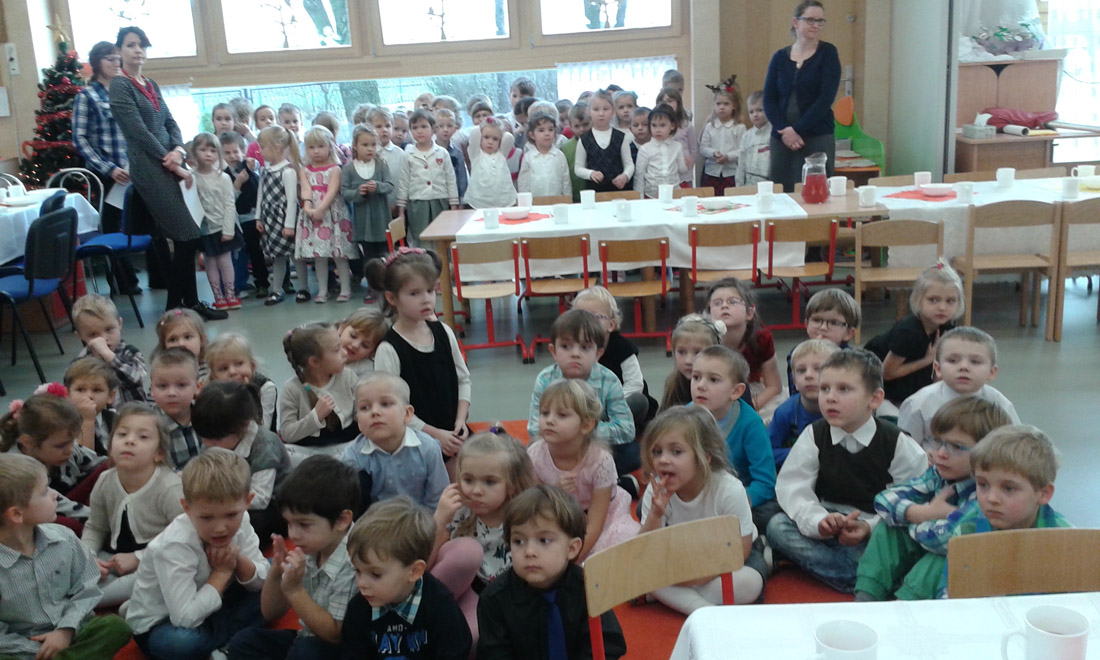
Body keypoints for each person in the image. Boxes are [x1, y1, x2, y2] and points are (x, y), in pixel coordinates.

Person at [766, 349, 927, 593]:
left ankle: (860, 575)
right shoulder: (815, 435)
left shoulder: (897, 442)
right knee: (777, 526)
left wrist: (869, 528)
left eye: (843, 389)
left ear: (874, 399)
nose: (830, 398)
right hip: (829, 519)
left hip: (876, 525)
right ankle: (869, 578)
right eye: (825, 389)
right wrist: (820, 521)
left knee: (901, 541)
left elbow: (912, 499)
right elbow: (793, 488)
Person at [109, 26, 226, 320]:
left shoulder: (150, 83)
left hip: (171, 162)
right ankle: (178, 306)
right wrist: (169, 158)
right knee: (186, 234)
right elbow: (138, 132)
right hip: (149, 169)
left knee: (190, 235)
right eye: (131, 45)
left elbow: (170, 122)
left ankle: (185, 304)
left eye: (142, 45)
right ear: (120, 50)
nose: (138, 50)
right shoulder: (120, 86)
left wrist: (179, 151)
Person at [855, 397, 1012, 601]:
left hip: (971, 574)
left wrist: (911, 521)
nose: (941, 453)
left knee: (944, 556)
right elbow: (884, 500)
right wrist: (922, 513)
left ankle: (904, 606)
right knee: (888, 527)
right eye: (937, 441)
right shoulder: (938, 475)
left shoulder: (985, 492)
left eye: (956, 446)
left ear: (987, 453)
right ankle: (866, 598)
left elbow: (946, 540)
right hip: (930, 539)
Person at [125, 449, 268, 660]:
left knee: (280, 579)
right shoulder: (175, 543)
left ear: (247, 502)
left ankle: (223, 639)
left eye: (231, 515)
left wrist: (238, 560)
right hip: (165, 622)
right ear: (186, 507)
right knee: (181, 644)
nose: (220, 528)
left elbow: (262, 577)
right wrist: (221, 572)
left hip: (216, 601)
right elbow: (184, 619)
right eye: (207, 518)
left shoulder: (243, 520)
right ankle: (231, 640)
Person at [0, 453, 133, 660]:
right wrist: (37, 650)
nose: (55, 495)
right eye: (45, 491)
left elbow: (87, 587)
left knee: (116, 627)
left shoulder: (64, 537)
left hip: (73, 629)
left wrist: (65, 631)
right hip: (23, 646)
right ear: (16, 514)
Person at [227, 457, 360, 660]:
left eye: (304, 524)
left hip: (343, 649)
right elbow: (270, 613)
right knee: (243, 642)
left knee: (305, 652)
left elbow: (335, 634)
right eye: (289, 524)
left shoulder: (354, 560)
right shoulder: (313, 545)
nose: (293, 535)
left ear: (342, 520)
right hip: (307, 638)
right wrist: (277, 570)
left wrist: (295, 590)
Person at [639, 406, 767, 611]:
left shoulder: (729, 489)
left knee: (750, 583)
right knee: (643, 572)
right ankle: (702, 608)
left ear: (705, 457)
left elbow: (740, 551)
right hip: (679, 558)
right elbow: (646, 550)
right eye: (657, 452)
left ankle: (677, 598)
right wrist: (655, 514)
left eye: (676, 452)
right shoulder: (656, 491)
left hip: (726, 561)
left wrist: (693, 579)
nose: (663, 460)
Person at [477, 485, 626, 660]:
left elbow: (608, 643)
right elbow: (494, 655)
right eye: (519, 541)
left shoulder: (588, 588)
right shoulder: (493, 600)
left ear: (571, 548)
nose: (529, 551)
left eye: (544, 540)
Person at [936, 425, 1071, 598]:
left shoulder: (1067, 541)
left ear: (1043, 494)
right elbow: (949, 594)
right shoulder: (966, 531)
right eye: (983, 484)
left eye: (1008, 488)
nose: (992, 498)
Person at [431, 430, 536, 641]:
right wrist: (439, 521)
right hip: (464, 591)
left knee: (486, 637)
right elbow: (426, 564)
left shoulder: (523, 516)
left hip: (508, 595)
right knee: (471, 636)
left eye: (489, 482)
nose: (476, 490)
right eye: (468, 480)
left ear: (511, 485)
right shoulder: (456, 511)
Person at [369, 248, 472, 464]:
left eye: (430, 291)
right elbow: (391, 406)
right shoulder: (389, 349)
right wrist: (435, 434)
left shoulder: (443, 332)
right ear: (392, 298)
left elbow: (463, 379)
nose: (426, 300)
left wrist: (460, 421)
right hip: (415, 443)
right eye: (414, 294)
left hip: (453, 434)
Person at [341, 497, 472, 660]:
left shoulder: (440, 606)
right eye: (358, 571)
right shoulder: (359, 609)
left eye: (375, 574)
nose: (361, 583)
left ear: (415, 571)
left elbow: (455, 652)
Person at [81, 401, 183, 607]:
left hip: (156, 560)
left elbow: (183, 537)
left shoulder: (170, 488)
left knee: (155, 577)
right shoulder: (105, 480)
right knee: (74, 570)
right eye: (122, 434)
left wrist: (138, 558)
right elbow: (95, 527)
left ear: (159, 453)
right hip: (114, 558)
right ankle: (89, 597)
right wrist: (89, 557)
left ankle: (87, 602)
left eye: (143, 437)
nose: (129, 441)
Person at [529, 380, 641, 559]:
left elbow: (595, 525)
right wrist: (554, 492)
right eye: (545, 413)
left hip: (599, 518)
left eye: (562, 415)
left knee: (622, 544)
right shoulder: (535, 454)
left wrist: (573, 561)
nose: (549, 420)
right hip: (556, 515)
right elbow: (531, 502)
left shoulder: (600, 460)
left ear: (586, 425)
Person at [527, 310, 637, 480]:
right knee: (529, 455)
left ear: (598, 354)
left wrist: (579, 432)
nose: (575, 354)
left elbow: (626, 429)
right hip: (557, 446)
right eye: (566, 346)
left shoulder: (608, 379)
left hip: (595, 445)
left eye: (585, 347)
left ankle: (604, 478)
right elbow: (535, 428)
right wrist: (563, 433)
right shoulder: (545, 379)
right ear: (553, 351)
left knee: (634, 454)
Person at [71, 40, 142, 295]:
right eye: (109, 59)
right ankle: (123, 282)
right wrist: (108, 168)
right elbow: (80, 139)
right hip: (108, 174)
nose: (115, 63)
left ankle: (145, 277)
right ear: (96, 63)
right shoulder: (87, 96)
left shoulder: (124, 91)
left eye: (117, 58)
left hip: (131, 169)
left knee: (136, 224)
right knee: (112, 227)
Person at [689, 346, 777, 531]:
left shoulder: (750, 423)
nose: (701, 385)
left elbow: (765, 482)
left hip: (736, 496)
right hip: (693, 495)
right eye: (696, 377)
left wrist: (738, 501)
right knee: (646, 508)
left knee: (770, 515)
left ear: (736, 391)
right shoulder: (683, 416)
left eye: (713, 379)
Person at [192, 382, 291, 540]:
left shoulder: (265, 445)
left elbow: (261, 498)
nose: (207, 444)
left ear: (243, 426)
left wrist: (221, 503)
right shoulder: (215, 436)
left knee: (250, 524)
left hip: (273, 505)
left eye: (215, 439)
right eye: (203, 437)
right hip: (231, 499)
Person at [339, 372, 449, 513]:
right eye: (364, 407)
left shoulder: (429, 448)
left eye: (385, 404)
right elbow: (348, 504)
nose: (375, 412)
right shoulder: (352, 455)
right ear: (358, 421)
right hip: (372, 523)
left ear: (407, 414)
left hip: (421, 522)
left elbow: (438, 499)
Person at [763, 0, 842, 191]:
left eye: (820, 21)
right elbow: (769, 99)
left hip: (816, 135)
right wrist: (784, 130)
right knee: (781, 191)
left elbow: (825, 99)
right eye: (810, 20)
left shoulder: (828, 53)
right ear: (796, 22)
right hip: (782, 138)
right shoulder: (779, 57)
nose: (816, 25)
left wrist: (797, 129)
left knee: (815, 192)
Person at [865, 262, 964, 412]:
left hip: (913, 383)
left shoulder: (947, 327)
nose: (942, 307)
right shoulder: (908, 331)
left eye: (950, 301)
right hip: (882, 388)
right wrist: (927, 360)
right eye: (933, 300)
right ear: (918, 299)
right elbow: (886, 373)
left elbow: (939, 369)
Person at [897, 327, 1020, 446]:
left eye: (975, 362)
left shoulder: (1001, 405)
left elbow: (1015, 447)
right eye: (953, 360)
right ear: (938, 369)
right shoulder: (918, 405)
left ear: (991, 372)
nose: (963, 367)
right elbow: (906, 451)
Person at [1, 391, 99, 533]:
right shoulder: (19, 470)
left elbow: (104, 465)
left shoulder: (65, 445)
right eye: (61, 446)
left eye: (72, 441)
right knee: (66, 525)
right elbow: (64, 508)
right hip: (45, 511)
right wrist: (107, 519)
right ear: (28, 442)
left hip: (66, 499)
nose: (70, 449)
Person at [572, 286, 657, 438]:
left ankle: (612, 428)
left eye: (595, 317)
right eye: (580, 317)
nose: (587, 323)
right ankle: (594, 427)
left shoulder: (623, 348)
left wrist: (612, 405)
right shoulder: (574, 349)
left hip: (622, 403)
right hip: (592, 407)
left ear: (611, 324)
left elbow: (635, 384)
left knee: (639, 401)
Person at [279, 323, 360, 463]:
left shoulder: (348, 376)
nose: (345, 353)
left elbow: (360, 412)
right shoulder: (291, 389)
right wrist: (316, 416)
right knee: (284, 453)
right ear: (315, 362)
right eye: (337, 349)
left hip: (350, 446)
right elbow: (287, 434)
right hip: (311, 453)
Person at [706, 278, 784, 417]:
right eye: (717, 303)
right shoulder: (705, 340)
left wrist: (748, 408)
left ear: (749, 313)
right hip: (715, 392)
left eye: (732, 302)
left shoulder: (761, 338)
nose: (724, 306)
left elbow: (774, 387)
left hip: (753, 392)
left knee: (779, 409)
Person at [297, 126, 354, 303]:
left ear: (330, 146)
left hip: (333, 214)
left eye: (320, 146)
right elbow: (306, 190)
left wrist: (321, 208)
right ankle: (322, 290)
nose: (316, 151)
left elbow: (332, 191)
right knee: (318, 255)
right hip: (313, 215)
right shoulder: (305, 170)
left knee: (339, 255)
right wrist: (308, 207)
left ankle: (345, 289)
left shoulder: (335, 169)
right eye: (311, 147)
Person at [191, 132, 245, 311]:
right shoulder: (192, 177)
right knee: (210, 263)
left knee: (225, 262)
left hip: (223, 228)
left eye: (213, 151)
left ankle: (230, 295)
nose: (208, 154)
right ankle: (218, 297)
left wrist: (228, 230)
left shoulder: (223, 177)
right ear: (195, 152)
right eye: (203, 150)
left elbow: (230, 204)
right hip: (204, 229)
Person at [341, 124, 394, 304]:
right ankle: (373, 286)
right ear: (355, 146)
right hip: (363, 221)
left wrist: (378, 187)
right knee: (369, 255)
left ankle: (388, 284)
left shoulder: (381, 165)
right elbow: (345, 192)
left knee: (385, 252)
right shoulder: (349, 169)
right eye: (365, 145)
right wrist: (359, 192)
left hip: (381, 218)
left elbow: (389, 186)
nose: (370, 149)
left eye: (373, 144)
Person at [769, 339, 839, 470]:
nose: (808, 375)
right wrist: (805, 453)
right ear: (794, 381)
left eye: (818, 369)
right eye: (801, 370)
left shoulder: (846, 409)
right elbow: (767, 453)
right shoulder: (785, 412)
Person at [254, 125, 302, 306]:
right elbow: (260, 196)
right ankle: (276, 290)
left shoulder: (288, 171)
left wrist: (289, 225)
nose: (259, 151)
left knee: (296, 256)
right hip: (270, 220)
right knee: (277, 256)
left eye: (263, 147)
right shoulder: (265, 170)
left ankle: (304, 287)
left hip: (285, 219)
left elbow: (292, 200)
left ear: (277, 147)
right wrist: (258, 217)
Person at [396, 109, 458, 246]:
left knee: (442, 238)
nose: (419, 131)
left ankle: (442, 260)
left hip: (440, 201)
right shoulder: (408, 155)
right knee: (421, 238)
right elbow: (403, 182)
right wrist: (401, 211)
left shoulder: (442, 153)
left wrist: (453, 207)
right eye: (415, 128)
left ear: (433, 129)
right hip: (418, 203)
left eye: (424, 126)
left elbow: (451, 180)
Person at [71, 293, 147, 404]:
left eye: (109, 329)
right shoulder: (80, 362)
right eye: (93, 334)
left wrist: (110, 357)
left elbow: (138, 378)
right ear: (80, 336)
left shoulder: (130, 353)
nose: (104, 339)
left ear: (120, 324)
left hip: (133, 412)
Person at [221, 131, 268, 300]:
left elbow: (260, 183)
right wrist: (238, 183)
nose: (232, 156)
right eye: (227, 153)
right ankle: (239, 284)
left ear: (243, 151)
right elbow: (228, 200)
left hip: (254, 218)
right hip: (237, 220)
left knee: (257, 252)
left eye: (236, 151)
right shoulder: (223, 174)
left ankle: (262, 283)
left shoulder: (249, 167)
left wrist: (253, 167)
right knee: (239, 254)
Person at [786, 288, 859, 395]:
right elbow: (795, 393)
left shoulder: (853, 361)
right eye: (817, 320)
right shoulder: (796, 355)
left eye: (834, 322)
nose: (823, 327)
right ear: (807, 324)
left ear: (849, 333)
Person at [206, 332, 280, 431]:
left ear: (252, 366)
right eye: (223, 368)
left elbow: (262, 430)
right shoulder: (212, 393)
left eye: (239, 364)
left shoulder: (266, 388)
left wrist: (244, 397)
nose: (232, 372)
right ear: (214, 377)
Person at [149, 348, 203, 471]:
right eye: (163, 386)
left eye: (181, 385)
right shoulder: (149, 426)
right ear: (152, 389)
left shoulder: (208, 416)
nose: (171, 393)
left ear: (198, 387)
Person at [661, 314, 724, 411]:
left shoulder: (727, 383)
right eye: (681, 352)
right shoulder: (672, 384)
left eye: (697, 352)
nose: (688, 361)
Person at [575, 90, 633, 194]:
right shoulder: (584, 139)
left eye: (606, 109)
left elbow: (629, 164)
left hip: (619, 191)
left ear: (613, 111)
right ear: (588, 111)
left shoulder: (621, 137)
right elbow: (578, 168)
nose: (601, 113)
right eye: (596, 109)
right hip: (594, 192)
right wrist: (590, 173)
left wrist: (625, 176)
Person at [64, 356, 119, 456]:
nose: (88, 395)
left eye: (97, 390)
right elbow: (85, 460)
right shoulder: (63, 424)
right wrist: (87, 420)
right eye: (80, 389)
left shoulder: (115, 418)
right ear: (68, 394)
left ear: (110, 396)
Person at [634, 104, 689, 199]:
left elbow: (682, 170)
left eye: (662, 125)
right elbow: (639, 176)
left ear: (672, 126)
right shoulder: (645, 149)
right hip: (651, 195)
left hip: (674, 193)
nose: (657, 130)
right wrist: (640, 199)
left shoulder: (677, 146)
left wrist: (686, 165)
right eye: (654, 125)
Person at [700, 81, 746, 195]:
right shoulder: (710, 126)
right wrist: (713, 153)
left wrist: (728, 157)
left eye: (726, 104)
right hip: (711, 173)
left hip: (731, 173)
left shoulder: (739, 127)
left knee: (730, 200)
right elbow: (703, 148)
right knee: (710, 199)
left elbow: (743, 150)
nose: (722, 107)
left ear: (734, 106)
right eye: (718, 104)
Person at [463, 118, 516, 210]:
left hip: (503, 201)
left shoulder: (502, 154)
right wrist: (485, 124)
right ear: (480, 138)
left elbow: (509, 137)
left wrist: (499, 128)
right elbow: (475, 133)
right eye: (486, 137)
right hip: (479, 201)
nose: (490, 142)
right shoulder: (475, 154)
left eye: (495, 139)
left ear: (500, 141)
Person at [517, 113, 571, 197]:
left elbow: (566, 181)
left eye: (550, 129)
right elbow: (523, 183)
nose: (547, 133)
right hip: (535, 201)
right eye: (541, 130)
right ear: (532, 135)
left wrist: (567, 198)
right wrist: (524, 200)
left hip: (557, 200)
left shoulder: (560, 156)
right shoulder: (528, 158)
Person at [367, 107, 406, 214]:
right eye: (378, 126)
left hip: (397, 207)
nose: (384, 130)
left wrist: (399, 205)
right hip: (375, 208)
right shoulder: (367, 155)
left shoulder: (400, 154)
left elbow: (403, 182)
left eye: (387, 126)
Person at [155, 307, 210, 382]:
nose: (181, 344)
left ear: (202, 339)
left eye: (188, 337)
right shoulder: (161, 372)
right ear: (164, 345)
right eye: (172, 340)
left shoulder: (213, 368)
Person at [654, 88, 696, 185]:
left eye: (670, 101)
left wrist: (689, 164)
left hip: (684, 176)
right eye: (662, 102)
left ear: (678, 103)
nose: (667, 104)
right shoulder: (655, 127)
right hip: (663, 175)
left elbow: (693, 149)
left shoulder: (687, 125)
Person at [338, 307, 387, 379]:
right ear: (342, 328)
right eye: (353, 336)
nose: (355, 345)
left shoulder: (366, 373)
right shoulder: (323, 349)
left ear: (372, 352)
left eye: (365, 345)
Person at [736, 90, 772, 187]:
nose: (755, 114)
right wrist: (739, 185)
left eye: (760, 110)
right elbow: (741, 163)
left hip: (768, 184)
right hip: (748, 184)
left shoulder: (774, 134)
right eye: (751, 112)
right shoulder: (746, 136)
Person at [433, 108, 469, 203]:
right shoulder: (430, 151)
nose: (445, 130)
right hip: (435, 197)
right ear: (434, 129)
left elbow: (462, 177)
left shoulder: (457, 153)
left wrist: (462, 199)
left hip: (453, 197)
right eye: (441, 126)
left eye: (449, 126)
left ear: (455, 128)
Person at [561, 102, 591, 202]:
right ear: (570, 125)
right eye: (577, 126)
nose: (582, 129)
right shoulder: (565, 148)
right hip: (575, 195)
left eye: (585, 124)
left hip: (598, 195)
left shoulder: (599, 142)